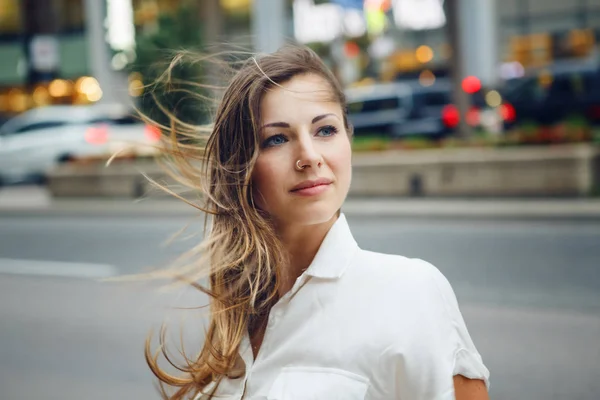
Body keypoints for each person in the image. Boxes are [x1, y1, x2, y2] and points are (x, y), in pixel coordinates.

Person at [145, 44, 490, 400]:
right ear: (240, 165)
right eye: (276, 139)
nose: (309, 157)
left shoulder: (411, 291)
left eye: (325, 130)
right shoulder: (239, 318)